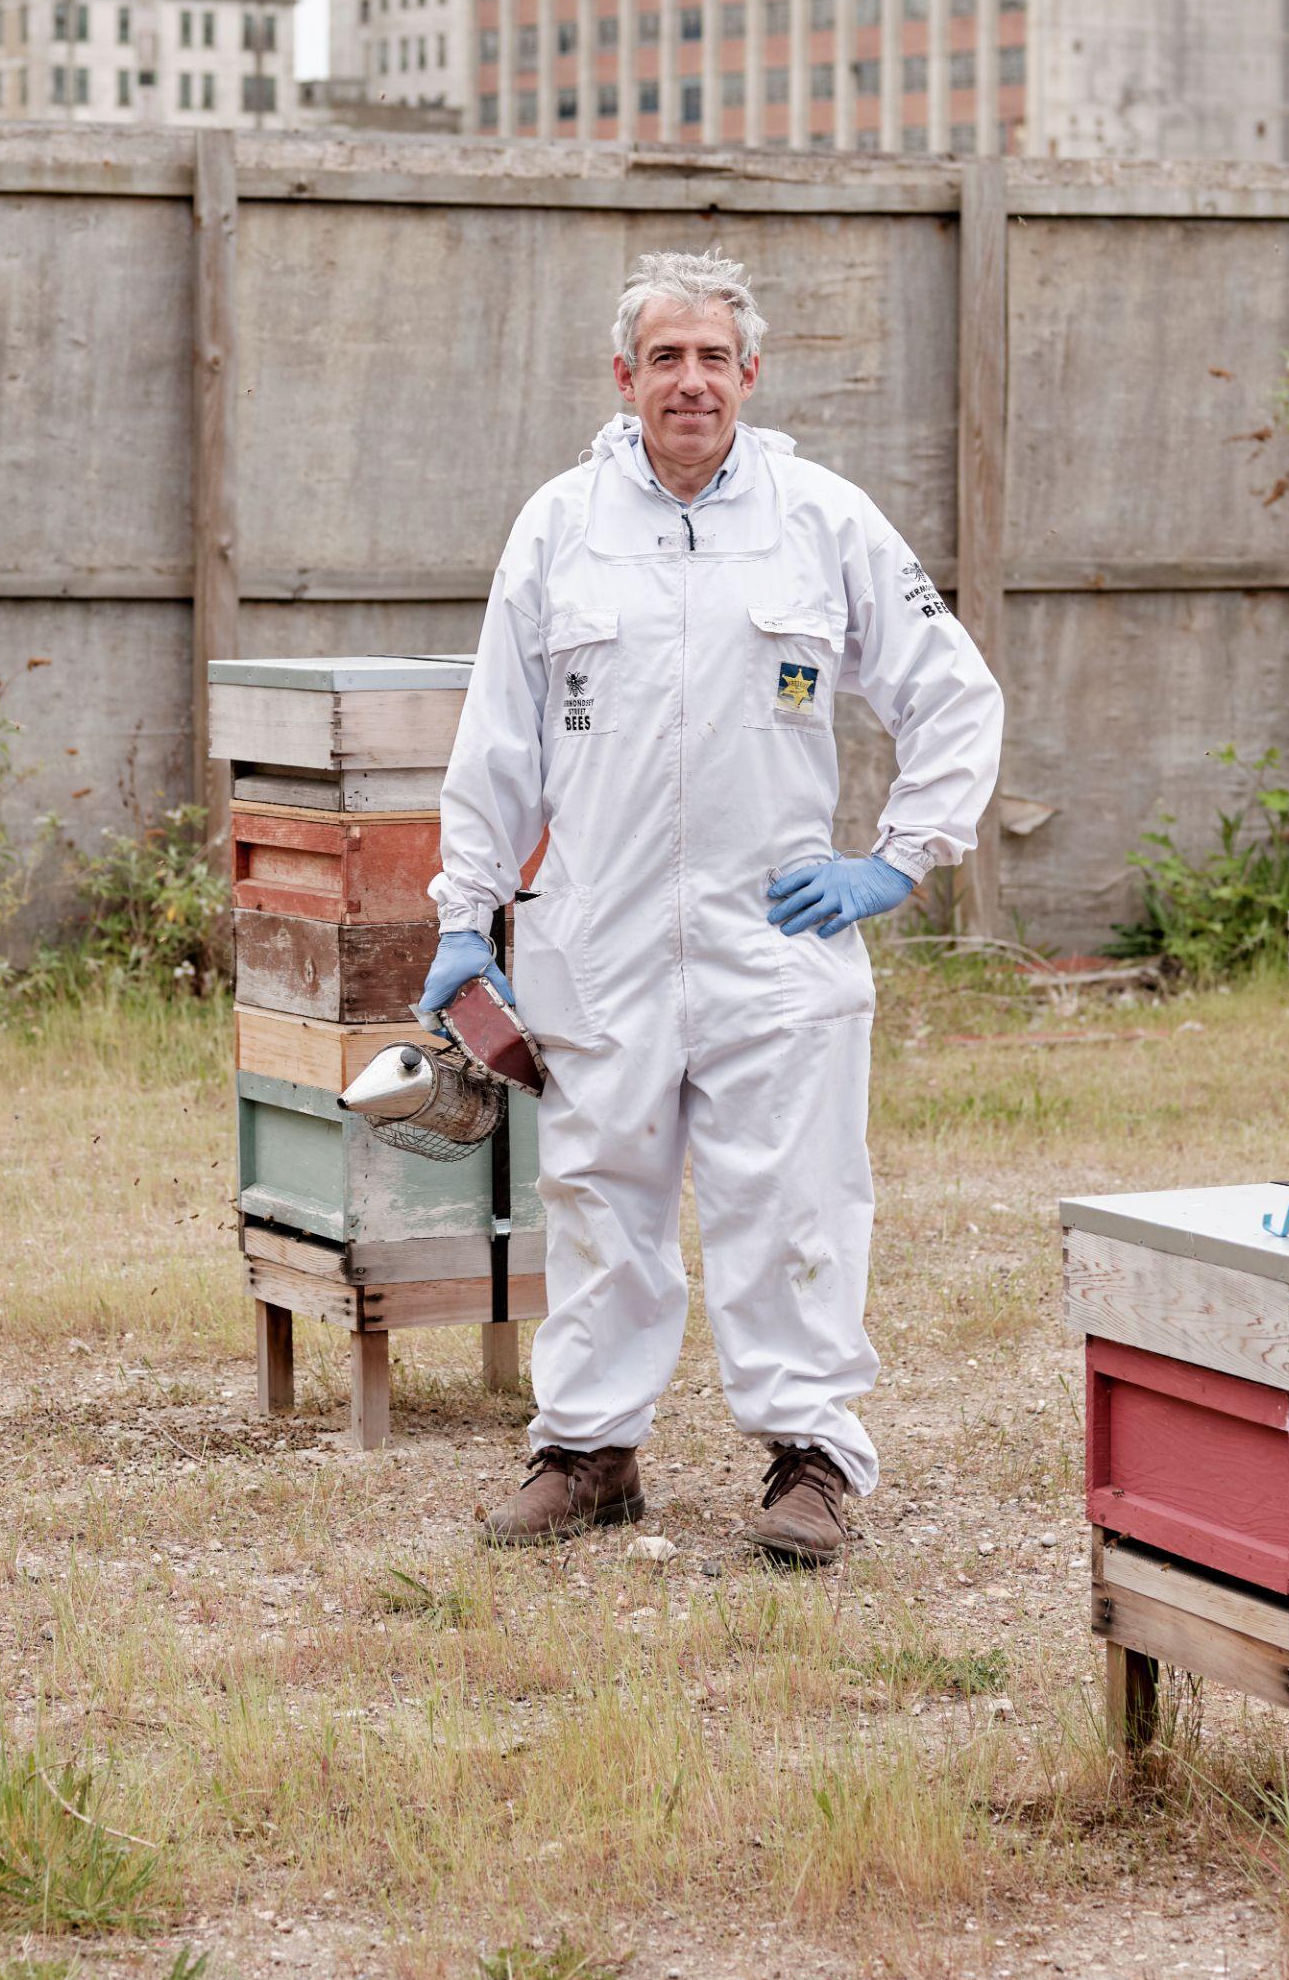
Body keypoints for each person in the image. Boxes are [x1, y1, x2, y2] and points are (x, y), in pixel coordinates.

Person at [422, 248, 1003, 1566]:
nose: (692, 381)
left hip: (776, 936)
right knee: (597, 1190)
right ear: (624, 379)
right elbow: (497, 746)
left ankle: (809, 1462)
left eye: (714, 358)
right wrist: (467, 916)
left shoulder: (822, 519)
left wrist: (897, 859)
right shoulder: (559, 529)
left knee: (793, 1199)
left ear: (753, 376)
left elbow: (950, 695)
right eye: (666, 358)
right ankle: (587, 1453)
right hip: (600, 934)